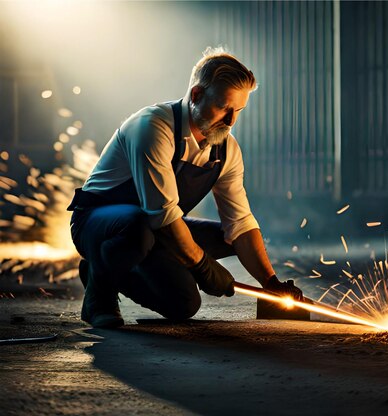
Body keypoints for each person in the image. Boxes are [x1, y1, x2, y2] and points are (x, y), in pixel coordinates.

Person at [68, 47, 303, 328]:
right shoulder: (152, 128)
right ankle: (100, 290)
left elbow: (240, 223)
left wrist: (270, 283)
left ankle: (110, 269)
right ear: (196, 95)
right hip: (99, 225)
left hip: (154, 228)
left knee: (184, 304)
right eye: (224, 108)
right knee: (138, 226)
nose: (231, 121)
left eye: (238, 111)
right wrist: (202, 266)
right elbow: (163, 214)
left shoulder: (227, 151)